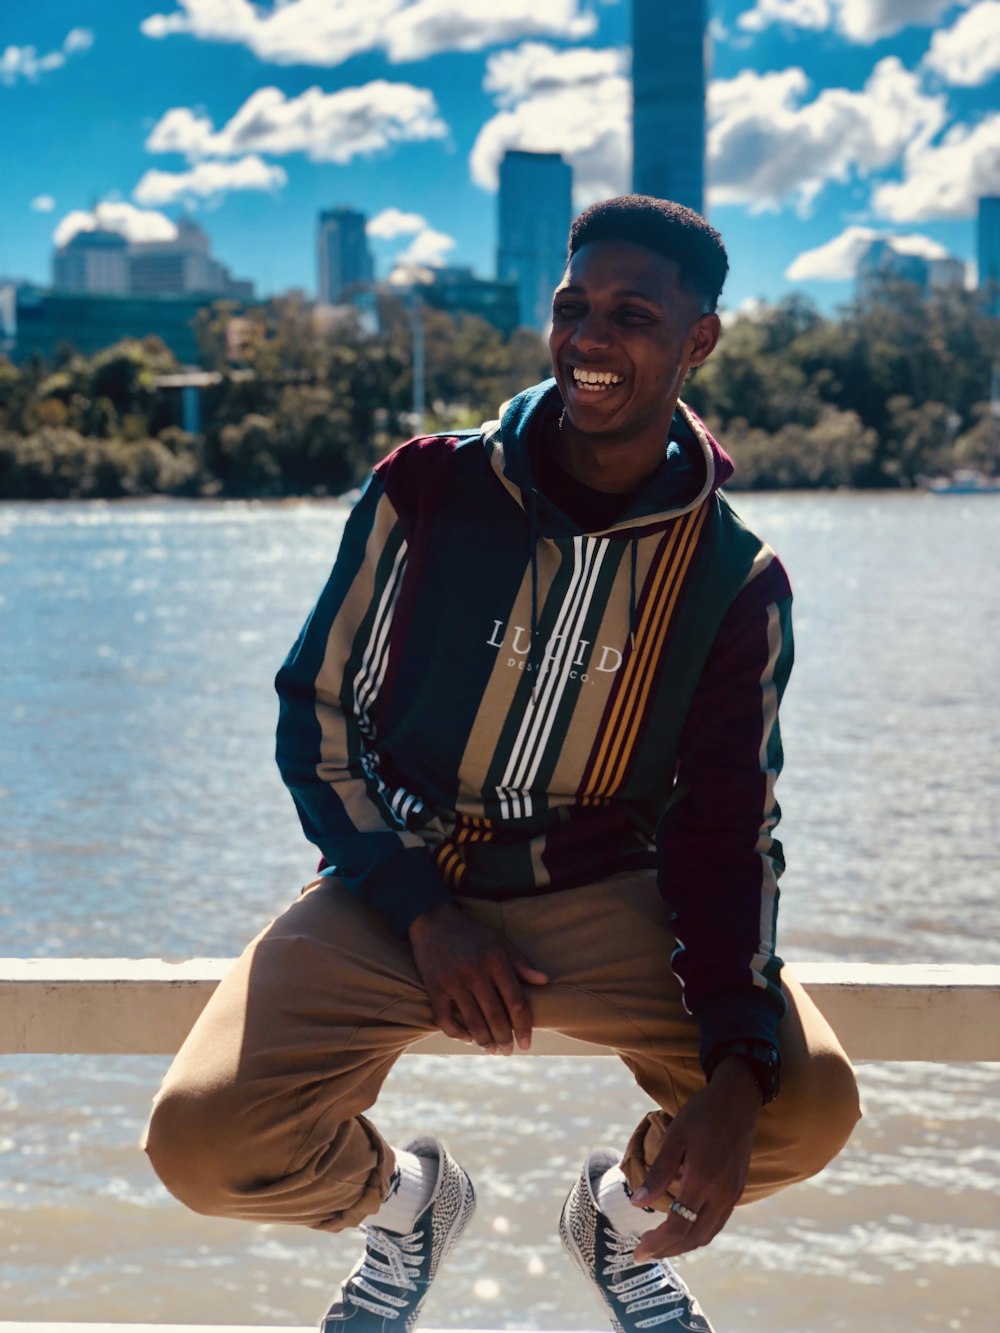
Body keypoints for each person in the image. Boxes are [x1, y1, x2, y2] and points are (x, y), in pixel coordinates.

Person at [144, 195, 861, 1333]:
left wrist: (732, 1066)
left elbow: (727, 832)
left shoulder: (735, 579)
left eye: (631, 313)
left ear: (698, 340)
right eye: (573, 306)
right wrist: (424, 910)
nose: (588, 338)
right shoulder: (425, 490)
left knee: (802, 1106)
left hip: (606, 890)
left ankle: (619, 1220)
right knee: (200, 1141)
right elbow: (316, 718)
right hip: (400, 885)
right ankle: (407, 1207)